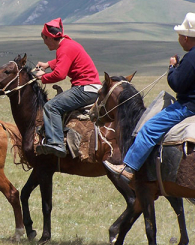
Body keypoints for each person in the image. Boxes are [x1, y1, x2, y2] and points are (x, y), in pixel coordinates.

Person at [104, 12, 195, 183]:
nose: (179, 39)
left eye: (179, 36)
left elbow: (177, 83)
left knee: (149, 128)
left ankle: (128, 168)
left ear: (185, 37)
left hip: (188, 106)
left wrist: (172, 67)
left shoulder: (191, 57)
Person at [34, 17, 102, 158]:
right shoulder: (68, 45)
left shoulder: (64, 48)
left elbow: (60, 74)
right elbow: (64, 59)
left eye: (45, 39)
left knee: (51, 106)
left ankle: (56, 143)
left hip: (85, 88)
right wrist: (48, 64)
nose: (45, 43)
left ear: (50, 38)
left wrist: (43, 77)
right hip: (91, 87)